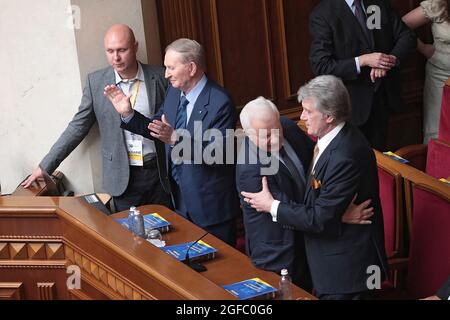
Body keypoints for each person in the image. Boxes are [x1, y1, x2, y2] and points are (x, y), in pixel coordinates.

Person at [242, 75, 388, 300]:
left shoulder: (344, 155)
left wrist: (272, 206)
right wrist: (337, 214)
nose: (301, 117)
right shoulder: (329, 137)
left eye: (308, 112)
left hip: (347, 272)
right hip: (325, 260)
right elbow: (320, 203)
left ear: (329, 116)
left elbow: (320, 217)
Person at [22, 24, 172, 212]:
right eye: (110, 51)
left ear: (136, 46)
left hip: (159, 174)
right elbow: (77, 128)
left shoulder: (160, 77)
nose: (115, 57)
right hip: (122, 178)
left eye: (122, 50)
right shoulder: (96, 82)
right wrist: (45, 166)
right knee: (126, 237)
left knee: (168, 231)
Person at [105, 38, 240, 246]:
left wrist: (176, 138)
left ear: (191, 68)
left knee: (219, 273)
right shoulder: (174, 92)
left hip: (211, 209)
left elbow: (218, 154)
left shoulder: (220, 101)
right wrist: (128, 114)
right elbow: (159, 129)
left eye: (171, 68)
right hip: (180, 201)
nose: (166, 74)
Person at [309, 0, 416, 151]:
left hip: (383, 101)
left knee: (382, 164)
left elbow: (406, 37)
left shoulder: (377, 5)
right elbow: (321, 65)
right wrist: (363, 61)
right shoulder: (324, 13)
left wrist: (387, 61)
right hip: (351, 108)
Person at [402, 0, 450, 143]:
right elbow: (402, 25)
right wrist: (424, 49)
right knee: (437, 134)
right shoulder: (437, 4)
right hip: (440, 76)